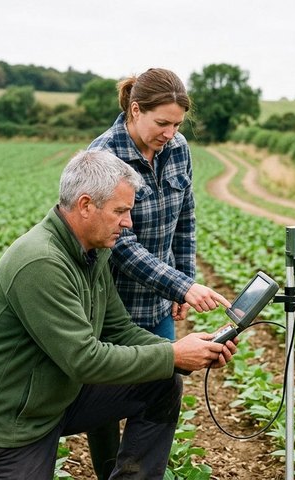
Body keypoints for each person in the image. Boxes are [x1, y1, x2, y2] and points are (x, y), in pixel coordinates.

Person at [0, 150, 237, 480]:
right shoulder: (41, 262)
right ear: (86, 205)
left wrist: (193, 353)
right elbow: (84, 360)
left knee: (162, 382)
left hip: (55, 397)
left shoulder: (93, 250)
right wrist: (173, 353)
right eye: (120, 211)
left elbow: (119, 329)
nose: (128, 223)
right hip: (8, 420)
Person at [86, 68, 229, 478]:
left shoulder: (178, 149)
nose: (170, 132)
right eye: (161, 123)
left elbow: (185, 218)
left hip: (158, 303)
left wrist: (181, 283)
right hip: (112, 304)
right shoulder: (104, 157)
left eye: (177, 124)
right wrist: (182, 285)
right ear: (135, 110)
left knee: (162, 389)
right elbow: (119, 246)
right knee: (106, 400)